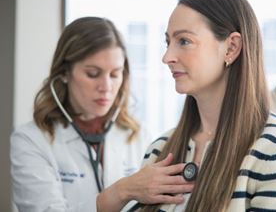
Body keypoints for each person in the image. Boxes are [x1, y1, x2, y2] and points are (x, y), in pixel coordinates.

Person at [137, 0, 276, 212]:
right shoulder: (160, 149)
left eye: (184, 41)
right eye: (168, 42)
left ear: (231, 47)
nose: (167, 57)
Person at [10, 17, 193, 212]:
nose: (106, 87)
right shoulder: (31, 141)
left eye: (114, 74)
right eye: (93, 74)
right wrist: (122, 191)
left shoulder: (139, 137)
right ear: (64, 73)